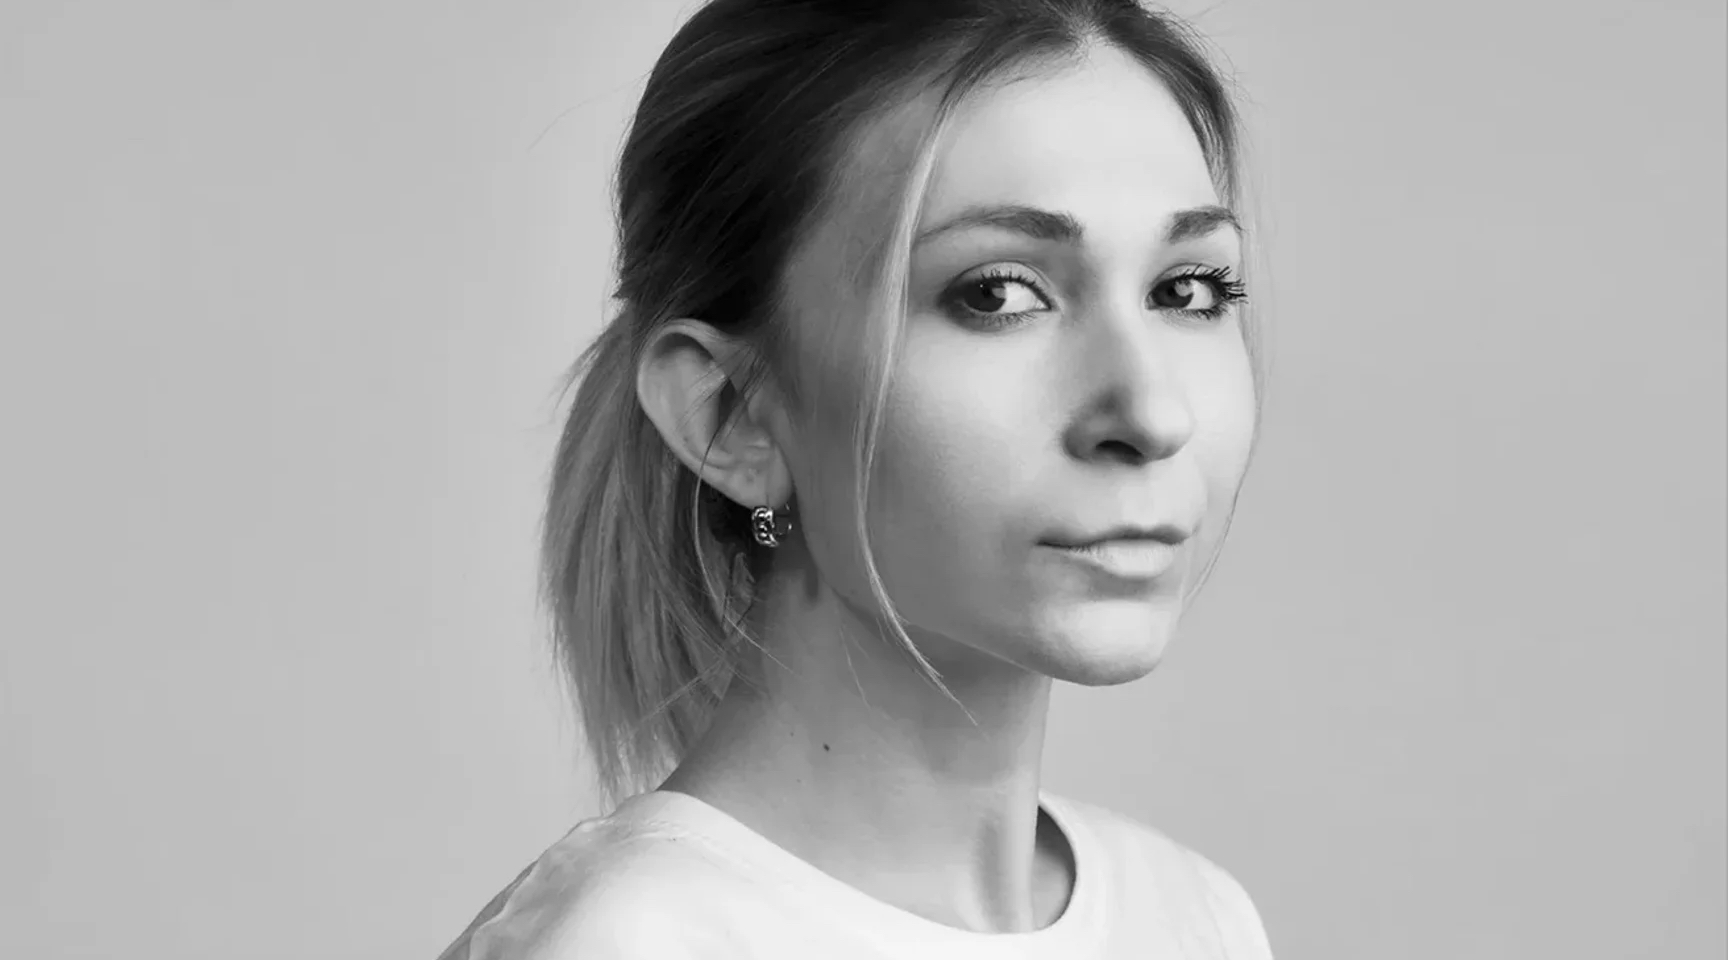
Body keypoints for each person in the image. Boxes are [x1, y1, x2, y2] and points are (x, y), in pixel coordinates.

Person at [440, 0, 1273, 955]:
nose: (1153, 414)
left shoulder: (1196, 919)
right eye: (997, 293)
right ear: (731, 414)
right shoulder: (629, 943)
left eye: (1187, 290)